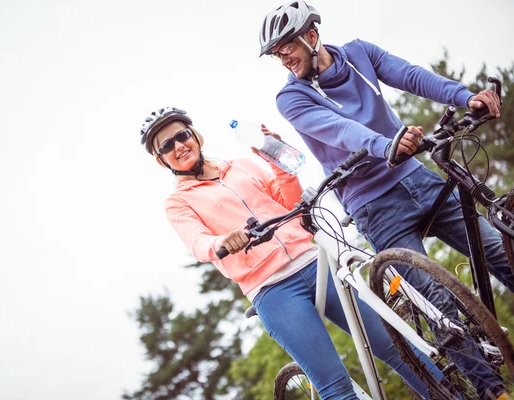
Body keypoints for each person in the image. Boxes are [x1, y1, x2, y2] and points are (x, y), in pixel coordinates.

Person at [259, 1, 513, 399]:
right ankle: (492, 392)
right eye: (276, 54)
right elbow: (338, 129)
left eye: (285, 47)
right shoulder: (290, 97)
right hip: (374, 206)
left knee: (498, 249)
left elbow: (410, 76)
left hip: (418, 178)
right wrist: (386, 144)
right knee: (434, 296)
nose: (283, 58)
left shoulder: (360, 53)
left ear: (310, 36)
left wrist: (465, 97)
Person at [140, 106, 445, 399]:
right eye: (167, 146)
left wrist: (277, 159)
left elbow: (290, 205)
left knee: (396, 346)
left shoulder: (241, 166)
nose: (178, 146)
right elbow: (198, 243)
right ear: (160, 159)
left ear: (195, 135)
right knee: (335, 385)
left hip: (314, 262)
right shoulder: (178, 202)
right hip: (273, 290)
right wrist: (222, 242)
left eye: (181, 136)